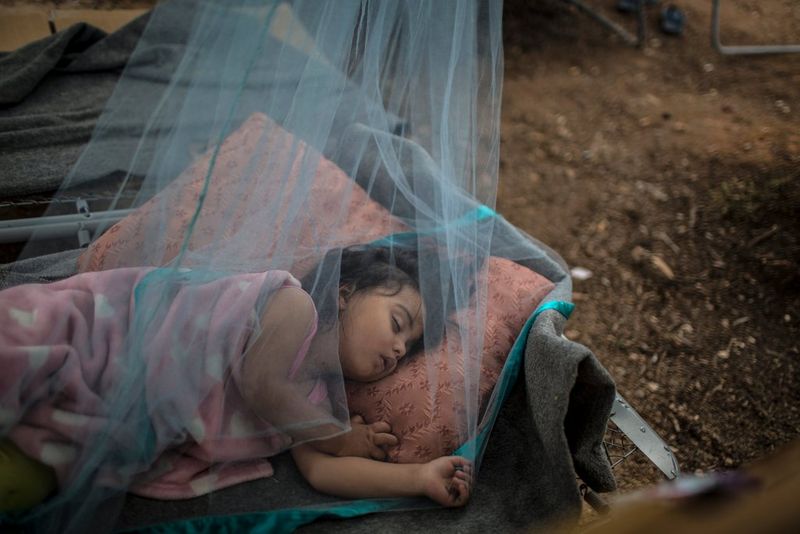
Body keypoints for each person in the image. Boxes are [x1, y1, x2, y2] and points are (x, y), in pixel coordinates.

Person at [0, 245, 471, 516]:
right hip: (109, 340)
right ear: (345, 294)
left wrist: (416, 478)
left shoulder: (320, 401)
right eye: (397, 323)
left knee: (31, 480)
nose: (397, 350)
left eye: (408, 348)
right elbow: (261, 384)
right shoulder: (293, 307)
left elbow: (322, 471)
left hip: (115, 415)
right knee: (25, 359)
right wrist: (341, 437)